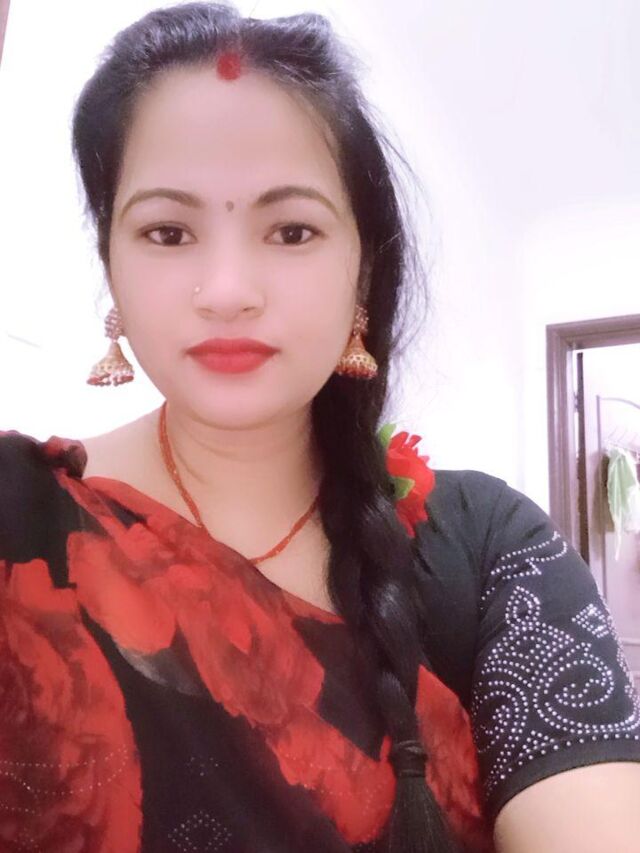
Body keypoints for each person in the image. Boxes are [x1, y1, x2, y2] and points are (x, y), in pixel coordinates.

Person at [1, 3, 639, 851]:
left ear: (363, 272)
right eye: (169, 231)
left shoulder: (491, 548)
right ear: (111, 268)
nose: (228, 290)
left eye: (292, 230)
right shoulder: (18, 522)